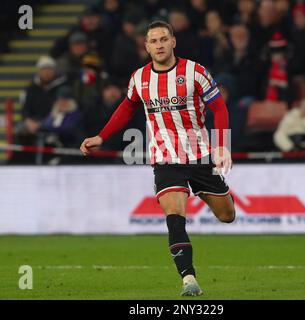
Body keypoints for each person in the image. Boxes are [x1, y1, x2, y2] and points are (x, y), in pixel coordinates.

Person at [80, 21, 235, 296]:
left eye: (164, 39)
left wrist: (221, 146)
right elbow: (127, 108)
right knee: (174, 216)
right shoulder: (139, 78)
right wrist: (101, 136)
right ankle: (188, 279)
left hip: (200, 155)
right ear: (146, 46)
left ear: (173, 42)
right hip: (165, 158)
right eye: (154, 41)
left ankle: (216, 191)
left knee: (227, 216)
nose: (159, 45)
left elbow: (219, 107)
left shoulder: (195, 72)